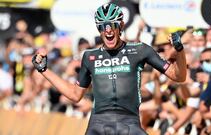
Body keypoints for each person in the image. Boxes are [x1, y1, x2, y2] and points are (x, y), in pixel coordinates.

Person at [32, 3, 187, 135]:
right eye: (102, 26)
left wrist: (179, 50)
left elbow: (178, 76)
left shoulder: (140, 50)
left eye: (112, 24)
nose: (107, 30)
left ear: (121, 26)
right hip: (98, 123)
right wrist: (44, 70)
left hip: (129, 122)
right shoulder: (89, 56)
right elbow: (75, 94)